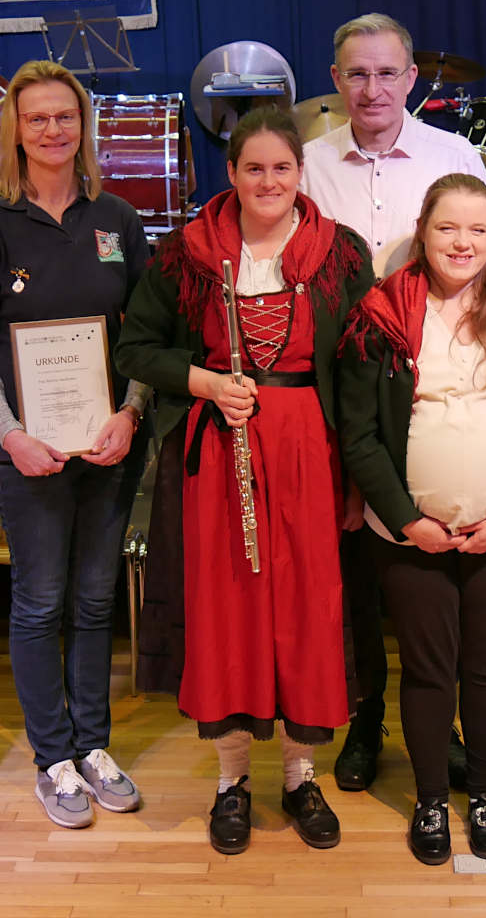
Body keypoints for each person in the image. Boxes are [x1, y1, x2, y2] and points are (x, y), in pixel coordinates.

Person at [116, 106, 373, 855]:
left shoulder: (341, 256)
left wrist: (358, 477)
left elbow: (362, 376)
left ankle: (299, 777)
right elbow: (135, 350)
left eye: (282, 168)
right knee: (228, 613)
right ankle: (232, 782)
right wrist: (199, 379)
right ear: (230, 174)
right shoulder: (185, 255)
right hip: (218, 458)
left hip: (309, 456)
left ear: (301, 173)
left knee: (306, 614)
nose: (269, 181)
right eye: (253, 168)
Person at [299, 11, 486, 794]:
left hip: (436, 395)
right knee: (352, 574)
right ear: (335, 81)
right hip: (337, 389)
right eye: (357, 73)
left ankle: (439, 718)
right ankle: (366, 719)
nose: (372, 88)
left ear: (412, 78)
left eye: (388, 73)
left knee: (430, 576)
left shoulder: (456, 158)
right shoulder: (307, 164)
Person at [337, 173, 486, 865]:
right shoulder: (378, 314)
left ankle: (485, 793)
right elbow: (360, 436)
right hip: (408, 533)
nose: (462, 241)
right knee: (429, 672)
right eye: (447, 228)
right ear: (423, 232)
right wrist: (407, 520)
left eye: (477, 228)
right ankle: (432, 797)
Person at [0, 60, 151, 829]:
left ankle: (94, 747)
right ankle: (54, 760)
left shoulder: (118, 220)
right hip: (27, 454)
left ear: (83, 124)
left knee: (96, 601)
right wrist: (11, 434)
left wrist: (130, 414)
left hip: (107, 447)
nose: (53, 130)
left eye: (65, 116)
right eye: (37, 118)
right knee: (39, 603)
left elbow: (144, 338)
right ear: (16, 129)